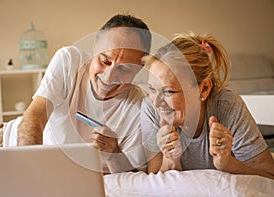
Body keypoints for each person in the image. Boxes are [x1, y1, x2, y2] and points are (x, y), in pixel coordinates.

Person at [17, 14, 152, 174]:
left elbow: (135, 177)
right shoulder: (69, 61)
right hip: (7, 140)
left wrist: (115, 155)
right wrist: (28, 168)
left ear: (140, 67)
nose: (108, 78)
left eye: (124, 69)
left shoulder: (139, 107)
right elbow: (35, 116)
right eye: (104, 61)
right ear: (95, 47)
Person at [141, 31, 274, 179]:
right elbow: (152, 183)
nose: (157, 102)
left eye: (169, 91)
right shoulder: (150, 109)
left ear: (204, 89)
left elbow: (269, 177)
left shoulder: (228, 107)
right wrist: (170, 159)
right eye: (152, 89)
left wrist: (227, 163)